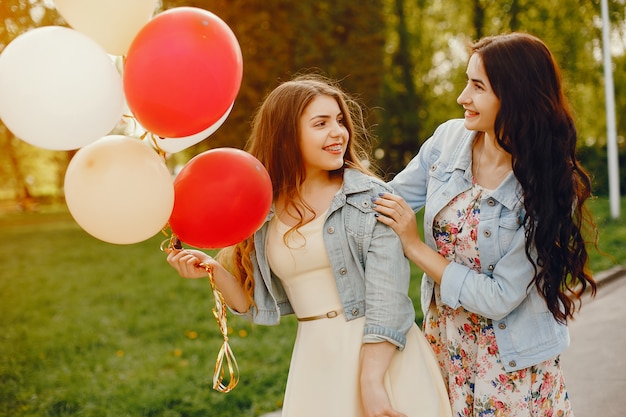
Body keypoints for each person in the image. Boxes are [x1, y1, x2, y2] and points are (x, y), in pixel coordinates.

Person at [166, 74, 452, 417]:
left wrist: (372, 382)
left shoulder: (371, 198)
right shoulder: (264, 207)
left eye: (340, 121)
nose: (339, 132)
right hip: (316, 359)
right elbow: (251, 301)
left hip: (380, 355)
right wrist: (211, 268)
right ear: (287, 137)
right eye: (321, 123)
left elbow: (389, 299)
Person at [373, 32, 598, 416]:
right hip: (446, 345)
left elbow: (498, 297)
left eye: (477, 86)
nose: (463, 97)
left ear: (514, 96)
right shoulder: (447, 141)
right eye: (467, 81)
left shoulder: (545, 185)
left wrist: (414, 246)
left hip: (511, 369)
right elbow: (386, 200)